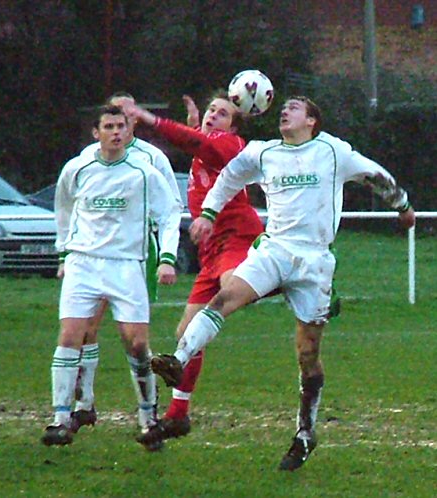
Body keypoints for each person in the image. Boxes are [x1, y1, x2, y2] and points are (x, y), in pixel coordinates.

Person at [149, 97, 416, 470]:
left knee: (307, 355)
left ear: (312, 120)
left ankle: (305, 433)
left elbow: (373, 174)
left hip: (314, 262)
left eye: (294, 107)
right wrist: (208, 213)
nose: (285, 112)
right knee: (224, 298)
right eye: (284, 108)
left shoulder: (332, 151)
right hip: (273, 251)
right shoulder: (264, 152)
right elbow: (228, 178)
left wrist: (402, 205)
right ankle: (177, 360)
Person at [116, 91, 265, 445]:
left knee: (234, 290)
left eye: (223, 113)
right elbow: (199, 141)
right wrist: (196, 123)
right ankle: (178, 415)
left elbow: (202, 144)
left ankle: (291, 282)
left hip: (237, 237)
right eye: (211, 110)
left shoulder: (232, 145)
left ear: (235, 124)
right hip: (211, 249)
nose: (214, 116)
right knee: (187, 333)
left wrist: (149, 118)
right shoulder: (210, 141)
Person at [41, 105, 181, 451]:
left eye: (122, 126)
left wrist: (167, 258)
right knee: (71, 334)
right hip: (83, 263)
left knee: (136, 344)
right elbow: (63, 210)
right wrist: (64, 253)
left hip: (126, 265)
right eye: (109, 126)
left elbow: (169, 213)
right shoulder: (78, 168)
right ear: (96, 132)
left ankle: (149, 419)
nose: (117, 132)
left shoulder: (143, 172)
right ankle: (60, 419)